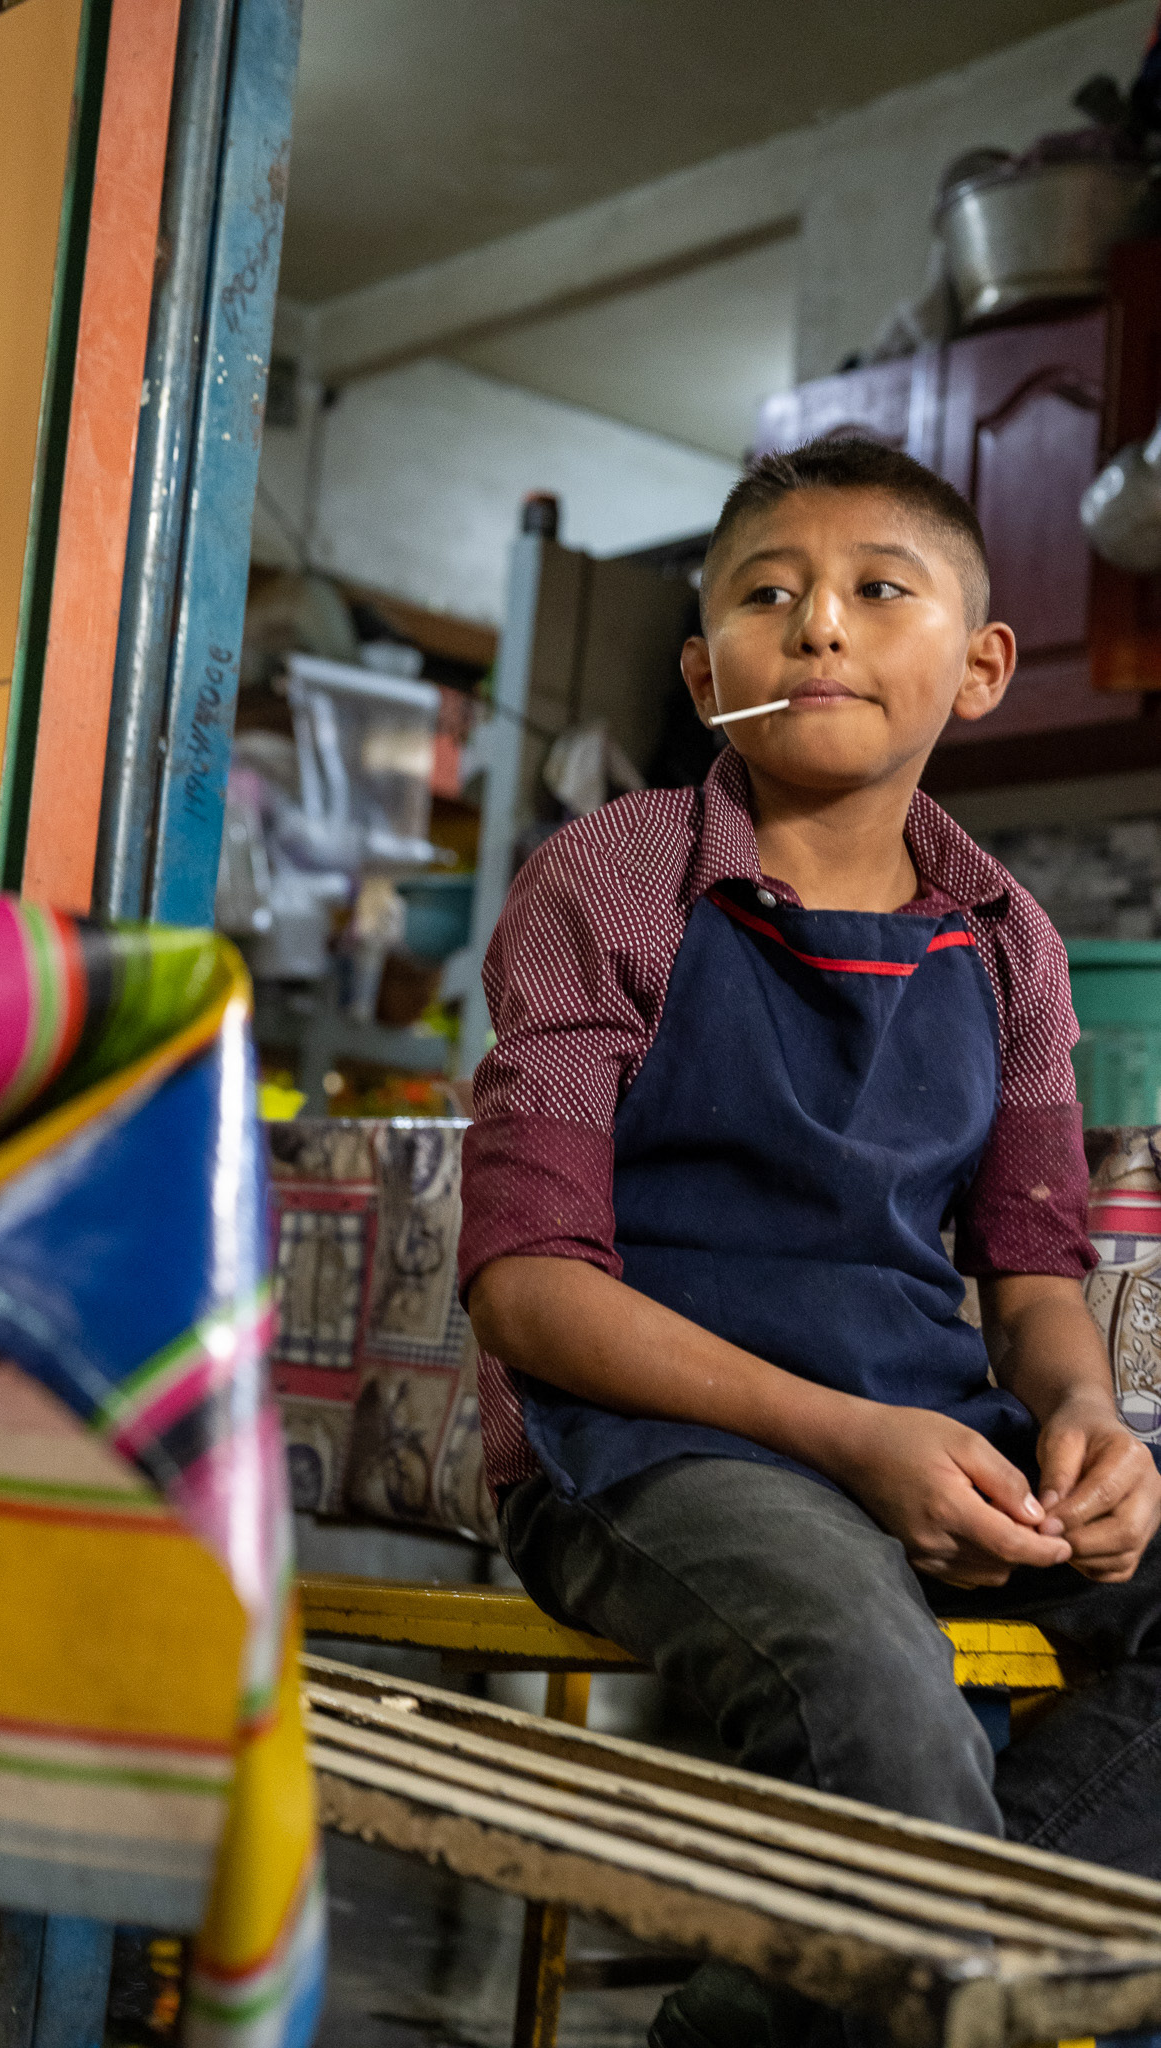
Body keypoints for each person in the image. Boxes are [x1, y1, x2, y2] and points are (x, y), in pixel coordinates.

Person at [457, 437, 1161, 2048]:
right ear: (708, 675)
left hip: (924, 1429)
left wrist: (1078, 1421)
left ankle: (792, 2001)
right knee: (874, 1691)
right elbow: (526, 1288)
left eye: (874, 591)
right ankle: (896, 1977)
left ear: (978, 667)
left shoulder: (1008, 942)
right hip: (639, 1448)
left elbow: (1030, 1275)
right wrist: (851, 1442)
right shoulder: (613, 880)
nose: (820, 627)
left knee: (919, 1823)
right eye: (769, 598)